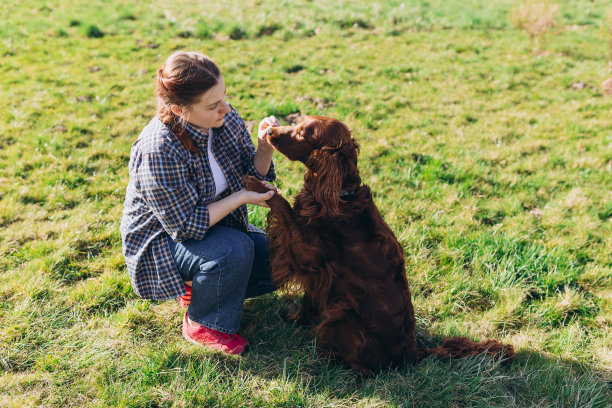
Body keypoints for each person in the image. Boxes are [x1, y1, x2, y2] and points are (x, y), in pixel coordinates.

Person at [120, 51, 279, 355]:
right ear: (180, 110)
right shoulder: (159, 149)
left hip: (217, 228)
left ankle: (202, 288)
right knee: (234, 250)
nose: (225, 109)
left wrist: (264, 147)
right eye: (212, 105)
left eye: (223, 97)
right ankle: (203, 323)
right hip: (164, 241)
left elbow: (249, 173)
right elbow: (184, 226)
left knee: (282, 257)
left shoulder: (225, 118)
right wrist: (241, 198)